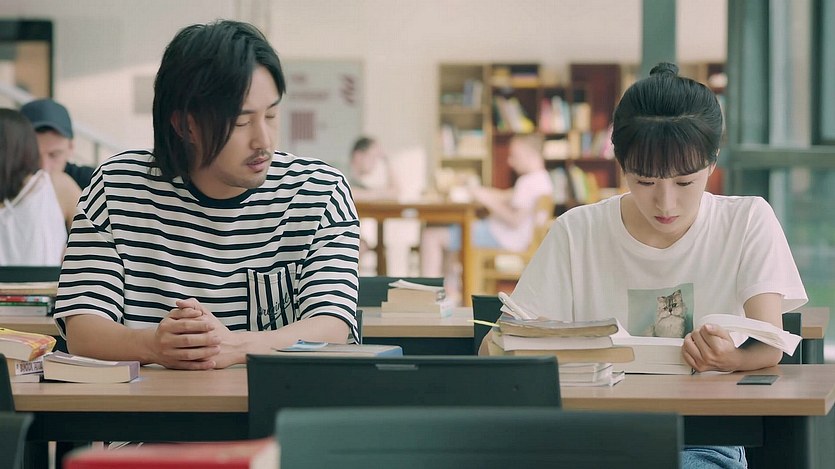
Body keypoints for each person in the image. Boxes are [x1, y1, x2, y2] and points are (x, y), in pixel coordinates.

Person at [501, 63, 807, 468]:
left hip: (701, 437)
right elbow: (506, 343)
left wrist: (730, 359)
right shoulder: (577, 230)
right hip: (592, 437)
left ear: (712, 161)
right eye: (645, 182)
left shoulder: (747, 220)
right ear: (621, 163)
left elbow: (771, 345)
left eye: (685, 182)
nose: (666, 203)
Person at [52, 20, 360, 370]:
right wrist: (153, 345)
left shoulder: (318, 192)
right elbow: (82, 328)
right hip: (149, 402)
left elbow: (332, 325)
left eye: (272, 115)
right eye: (241, 122)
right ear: (185, 125)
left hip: (274, 402)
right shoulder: (116, 187)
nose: (264, 140)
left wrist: (236, 346)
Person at [420, 133, 553, 290]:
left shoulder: (528, 182)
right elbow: (506, 196)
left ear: (530, 154)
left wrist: (486, 200)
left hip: (503, 237)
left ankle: (429, 292)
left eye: (515, 156)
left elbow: (515, 219)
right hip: (509, 236)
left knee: (431, 236)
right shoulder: (542, 180)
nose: (510, 161)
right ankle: (449, 289)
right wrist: (479, 191)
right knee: (451, 230)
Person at [0, 108, 79, 266]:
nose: (44, 165)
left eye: (53, 155)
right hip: (47, 280)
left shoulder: (55, 185)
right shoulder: (55, 184)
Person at [20, 98, 96, 189]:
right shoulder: (9, 183)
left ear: (71, 147)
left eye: (54, 155)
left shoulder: (93, 182)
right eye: (34, 155)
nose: (44, 167)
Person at [347, 136, 398, 201]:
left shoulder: (361, 183)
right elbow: (350, 193)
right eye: (373, 157)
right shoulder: (342, 173)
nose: (375, 163)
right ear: (358, 156)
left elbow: (394, 193)